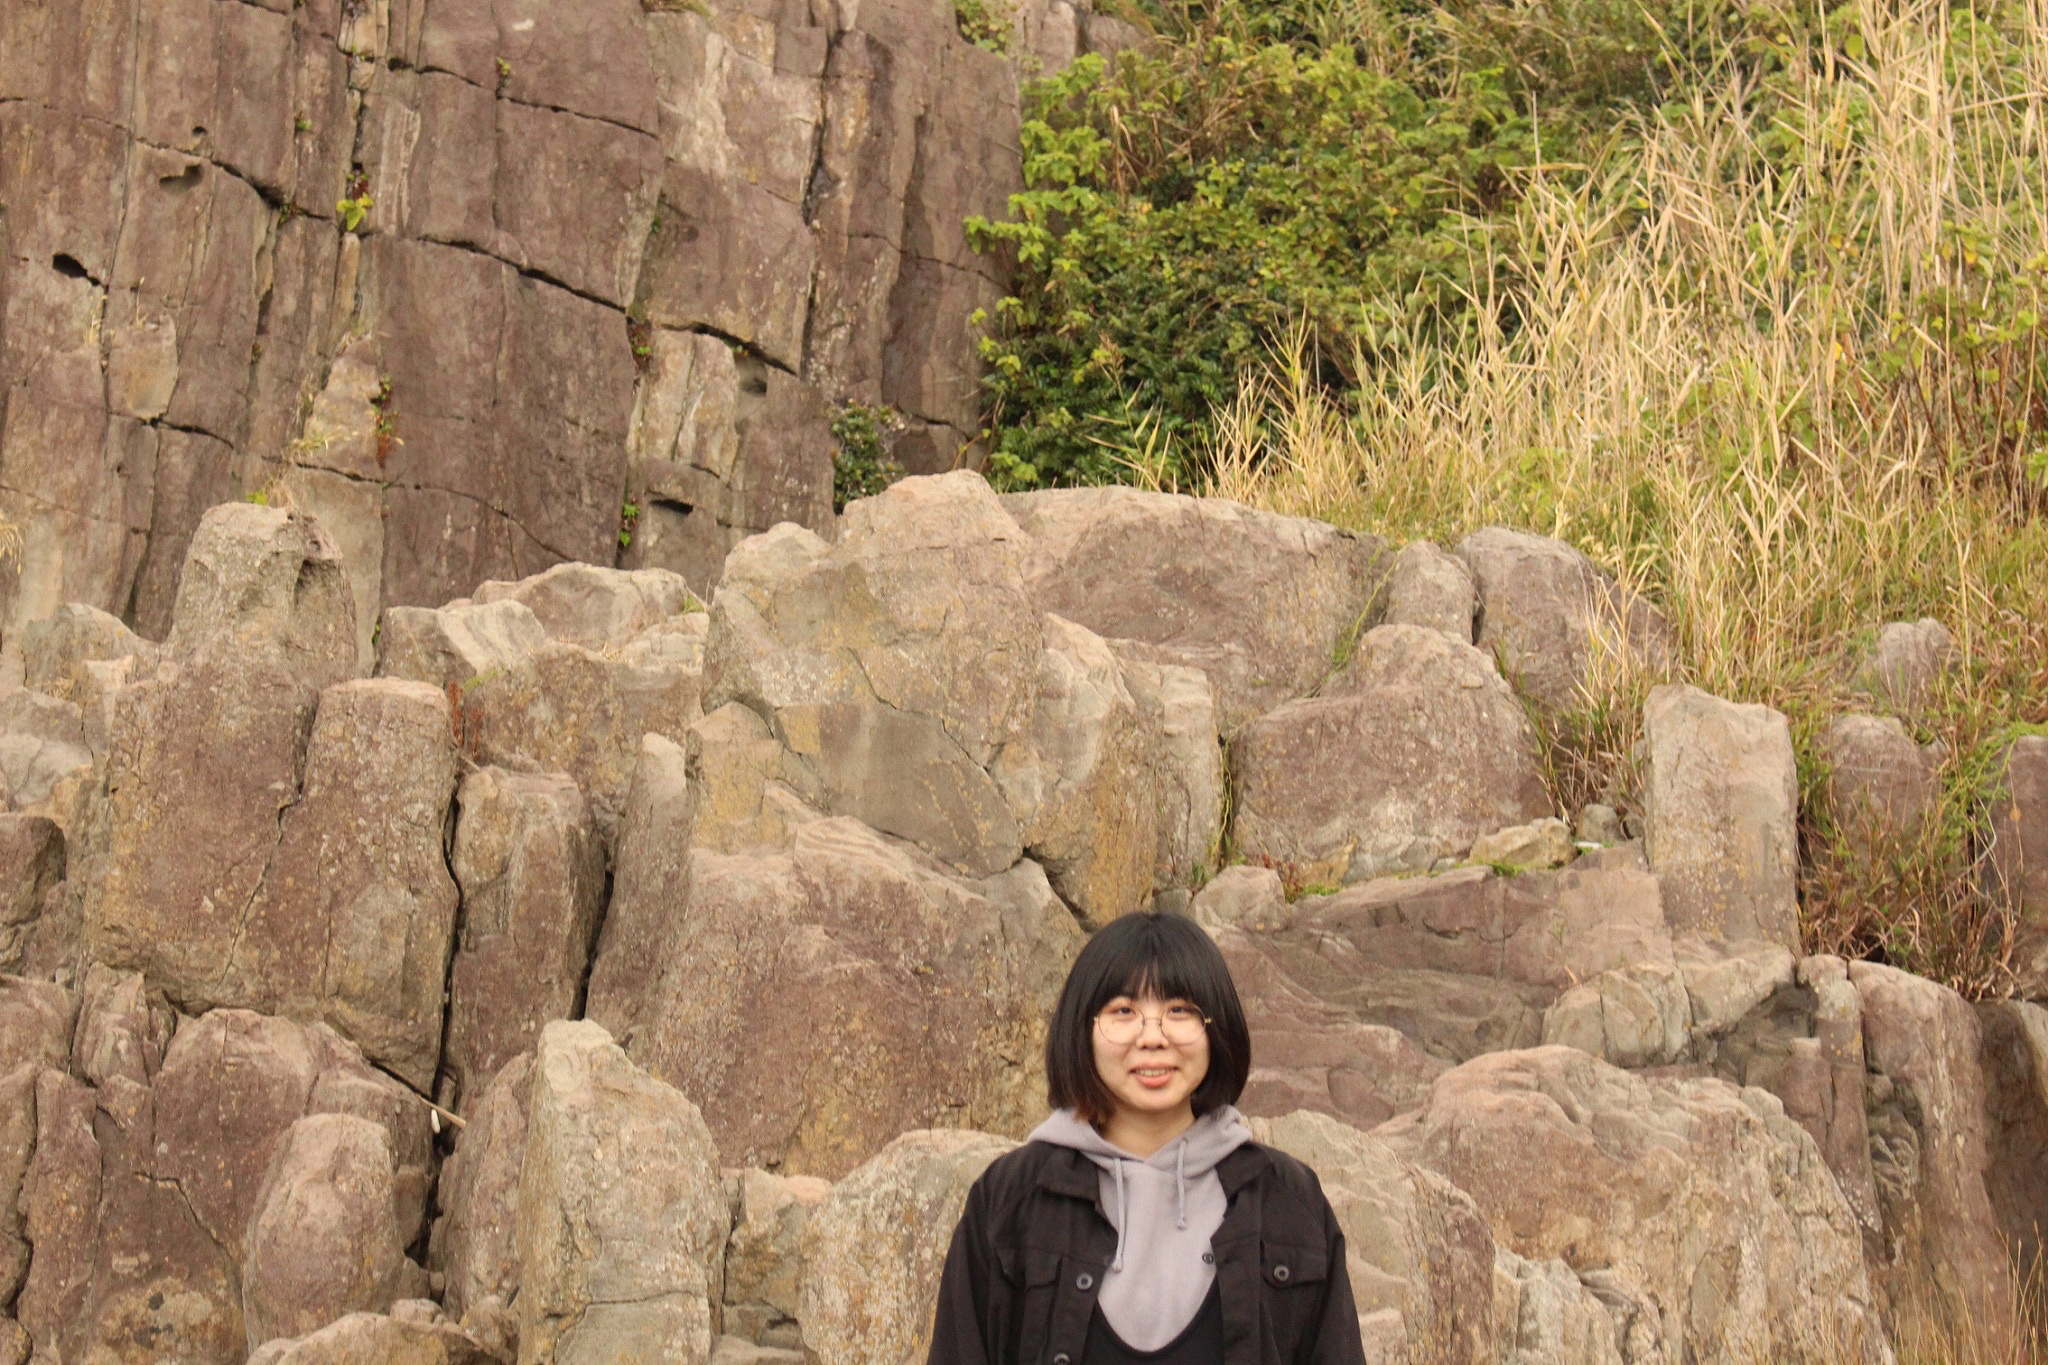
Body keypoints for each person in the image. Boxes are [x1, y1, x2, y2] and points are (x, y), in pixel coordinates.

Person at [928, 911, 1366, 1365]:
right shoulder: (1009, 1199)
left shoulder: (1288, 1200)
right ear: (1082, 1029)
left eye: (1180, 1011)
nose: (1153, 1038)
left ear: (1216, 1028)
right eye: (1123, 1011)